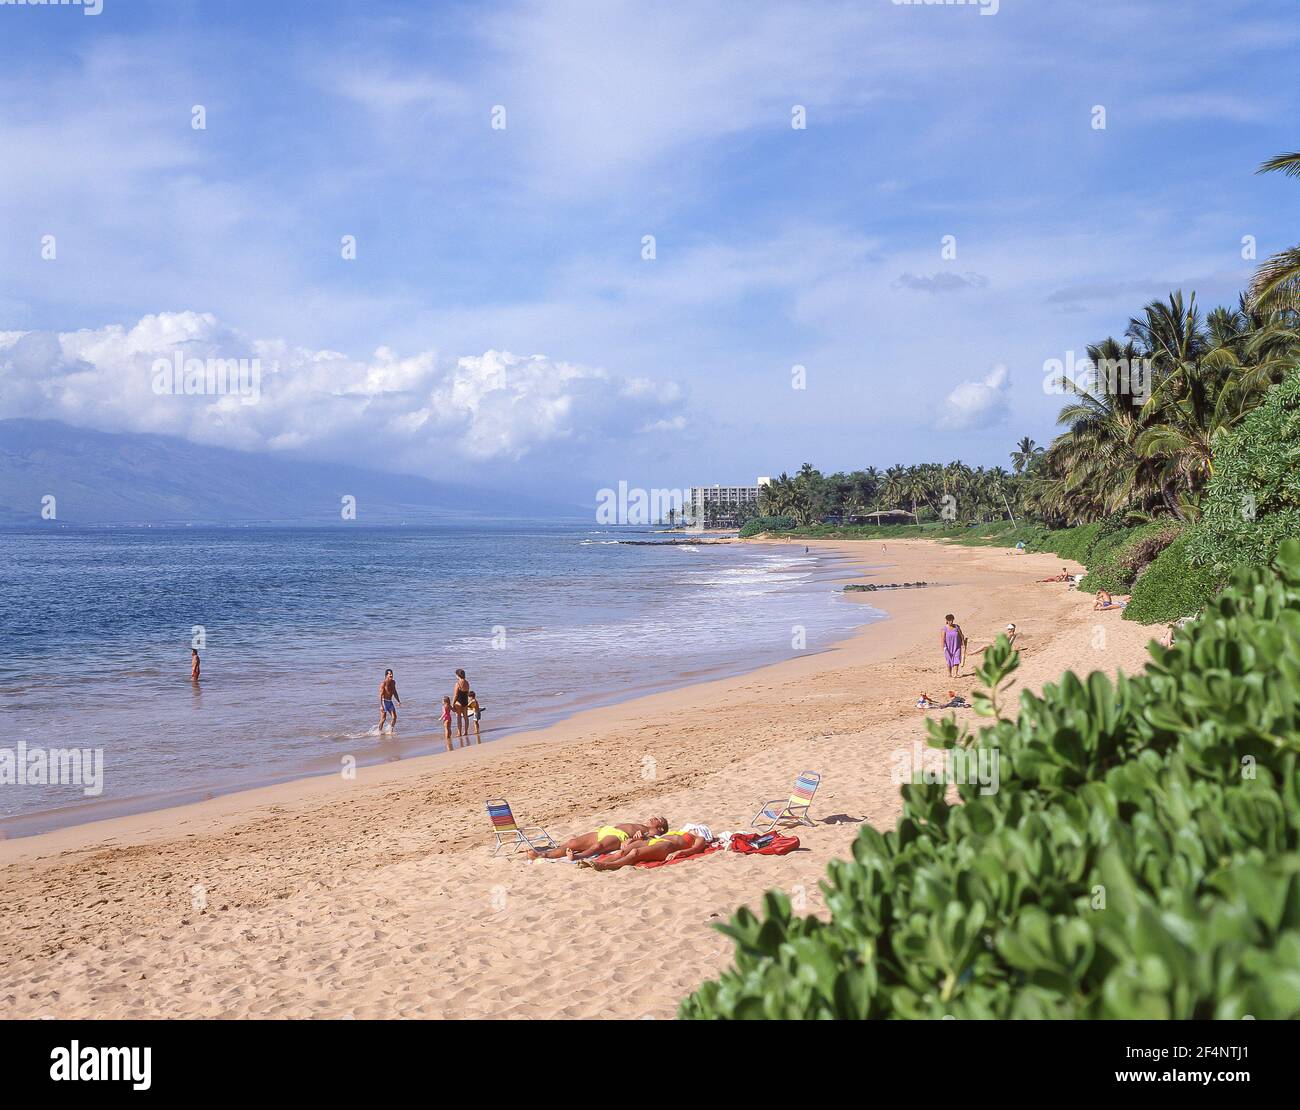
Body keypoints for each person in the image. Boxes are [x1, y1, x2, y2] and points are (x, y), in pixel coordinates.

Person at [527, 817, 669, 861]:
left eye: (657, 819)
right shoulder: (643, 826)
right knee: (572, 842)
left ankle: (577, 857)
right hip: (607, 830)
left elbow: (646, 843)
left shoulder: (652, 835)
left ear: (661, 828)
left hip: (619, 836)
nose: (653, 818)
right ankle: (543, 854)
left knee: (598, 847)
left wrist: (640, 837)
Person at [587, 823, 715, 871]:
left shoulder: (700, 838)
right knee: (623, 851)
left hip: (668, 846)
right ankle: (596, 863)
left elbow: (695, 849)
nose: (693, 829)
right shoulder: (680, 832)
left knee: (635, 853)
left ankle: (609, 866)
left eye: (696, 828)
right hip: (657, 841)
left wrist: (680, 852)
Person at [941, 613, 966, 678]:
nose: (950, 622)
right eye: (949, 620)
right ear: (946, 620)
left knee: (956, 659)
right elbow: (942, 639)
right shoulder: (944, 629)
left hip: (957, 646)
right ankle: (949, 674)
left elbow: (961, 635)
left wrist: (963, 643)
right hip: (948, 647)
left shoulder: (957, 627)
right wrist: (943, 647)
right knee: (949, 660)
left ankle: (956, 673)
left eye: (952, 620)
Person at [452, 668, 471, 739]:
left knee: (459, 717)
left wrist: (452, 703)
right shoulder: (467, 682)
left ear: (458, 675)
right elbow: (467, 693)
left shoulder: (457, 683)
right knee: (466, 717)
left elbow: (456, 695)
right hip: (465, 701)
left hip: (458, 702)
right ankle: (466, 731)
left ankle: (459, 732)